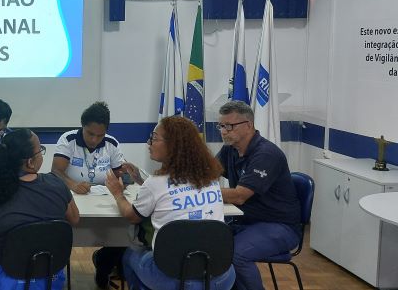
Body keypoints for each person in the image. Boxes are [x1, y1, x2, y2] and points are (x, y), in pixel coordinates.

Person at [105, 116, 235, 290]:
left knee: (129, 256)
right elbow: (172, 194)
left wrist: (118, 194)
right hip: (219, 277)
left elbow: (131, 216)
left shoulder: (156, 183)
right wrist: (141, 180)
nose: (148, 143)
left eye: (154, 138)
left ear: (172, 145)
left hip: (171, 278)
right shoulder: (209, 178)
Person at [0, 128, 80, 290]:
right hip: (49, 278)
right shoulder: (57, 184)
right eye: (40, 151)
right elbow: (74, 219)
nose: (42, 154)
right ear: (30, 162)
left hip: (2, 281)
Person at [215, 101, 301, 290]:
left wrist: (204, 193)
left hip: (279, 226)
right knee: (209, 242)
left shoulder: (266, 154)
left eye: (229, 126)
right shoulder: (230, 149)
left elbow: (239, 196)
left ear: (248, 125)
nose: (223, 131)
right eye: (221, 126)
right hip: (247, 221)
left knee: (237, 254)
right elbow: (207, 172)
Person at [50, 101, 134, 288]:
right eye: (90, 134)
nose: (95, 139)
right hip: (74, 200)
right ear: (83, 126)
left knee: (122, 232)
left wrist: (124, 180)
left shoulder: (111, 143)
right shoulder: (68, 139)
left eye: (100, 135)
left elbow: (123, 174)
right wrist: (73, 184)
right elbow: (56, 171)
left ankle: (103, 265)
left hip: (104, 201)